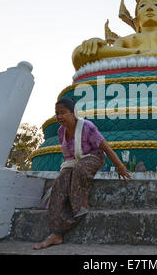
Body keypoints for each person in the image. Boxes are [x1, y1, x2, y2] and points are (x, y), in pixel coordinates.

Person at [33, 98, 131, 249]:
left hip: (93, 157)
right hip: (73, 162)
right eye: (57, 114)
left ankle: (79, 207)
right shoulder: (61, 132)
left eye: (63, 113)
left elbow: (105, 147)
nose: (59, 117)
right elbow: (68, 156)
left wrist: (120, 166)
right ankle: (56, 234)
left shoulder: (87, 127)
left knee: (80, 170)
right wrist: (66, 174)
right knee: (59, 184)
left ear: (73, 113)